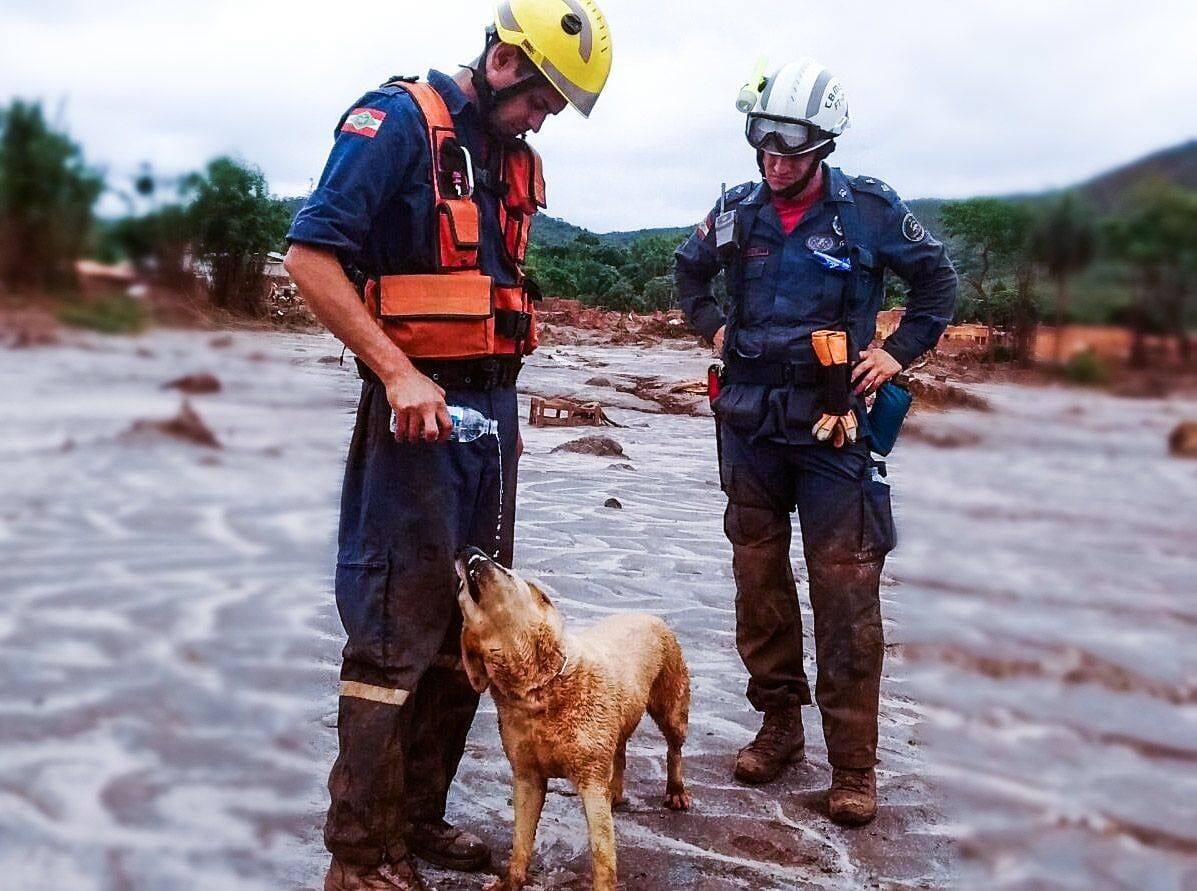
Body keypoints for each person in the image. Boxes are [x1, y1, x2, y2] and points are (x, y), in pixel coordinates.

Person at [283, 3, 612, 888]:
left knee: (473, 632)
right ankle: (360, 854)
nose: (545, 119)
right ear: (505, 60)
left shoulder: (507, 157)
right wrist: (396, 372)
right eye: (544, 97)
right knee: (394, 630)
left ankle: (417, 821)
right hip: (412, 423)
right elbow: (310, 258)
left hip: (488, 425)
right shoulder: (395, 122)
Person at [675, 57, 956, 826]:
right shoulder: (736, 209)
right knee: (757, 585)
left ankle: (853, 765)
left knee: (844, 591)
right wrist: (714, 327)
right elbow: (687, 273)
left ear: (824, 145)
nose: (774, 161)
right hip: (748, 424)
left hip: (834, 427)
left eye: (790, 150)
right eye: (763, 146)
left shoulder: (866, 209)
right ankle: (777, 728)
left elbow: (937, 286)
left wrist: (895, 353)